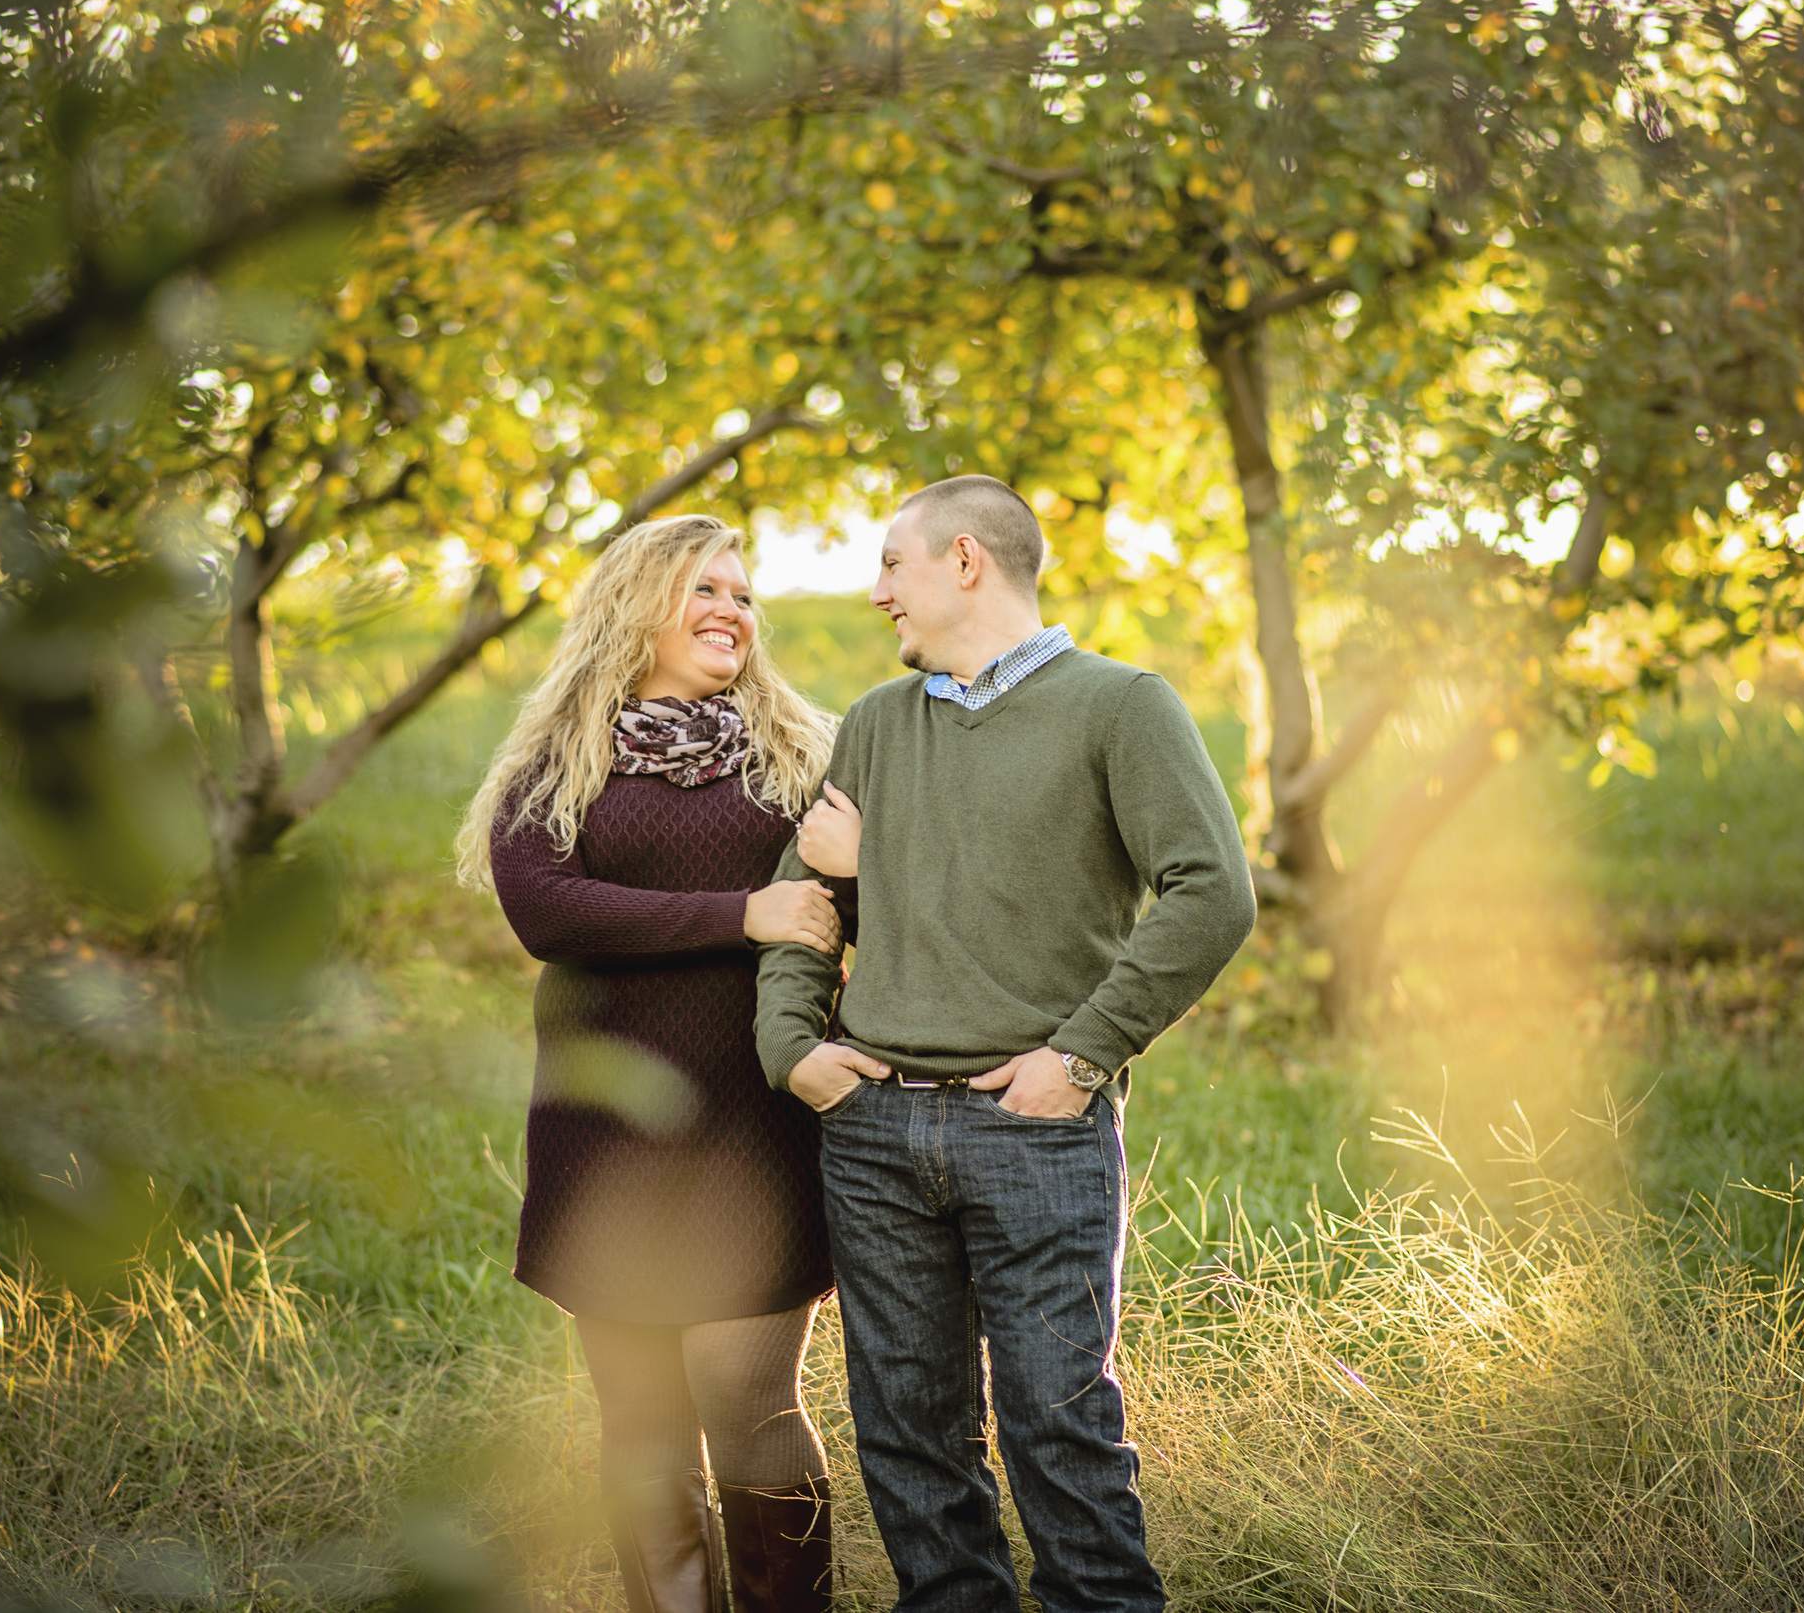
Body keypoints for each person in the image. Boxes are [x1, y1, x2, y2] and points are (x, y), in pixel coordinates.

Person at [753, 477, 1257, 1613]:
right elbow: (800, 906)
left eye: (892, 563)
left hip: (1034, 1126)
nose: (875, 590)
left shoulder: (1121, 706)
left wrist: (1080, 1057)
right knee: (910, 1440)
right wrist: (794, 1050)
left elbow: (1210, 894)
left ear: (965, 561)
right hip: (872, 1131)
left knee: (1061, 1429)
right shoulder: (880, 722)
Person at [454, 515, 847, 1613]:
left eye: (742, 591)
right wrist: (745, 911)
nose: (731, 609)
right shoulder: (560, 756)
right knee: (639, 1413)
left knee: (744, 1388)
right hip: (607, 1125)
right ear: (636, 604)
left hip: (755, 1120)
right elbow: (548, 908)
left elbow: (859, 903)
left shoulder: (796, 753)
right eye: (703, 589)